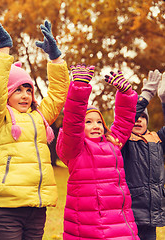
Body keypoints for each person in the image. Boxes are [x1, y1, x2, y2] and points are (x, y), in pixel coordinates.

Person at [0, 13, 70, 239]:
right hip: (6, 209)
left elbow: (59, 94)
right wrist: (3, 49)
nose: (25, 95)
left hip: (36, 206)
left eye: (28, 90)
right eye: (18, 90)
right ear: (7, 94)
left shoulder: (40, 116)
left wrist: (56, 59)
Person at [56, 64, 140, 239]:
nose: (95, 125)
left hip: (121, 221)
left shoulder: (112, 143)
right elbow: (72, 121)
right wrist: (79, 88)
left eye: (99, 122)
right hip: (92, 224)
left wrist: (126, 94)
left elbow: (125, 120)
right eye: (88, 122)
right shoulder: (75, 148)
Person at [121, 69, 165, 240]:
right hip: (129, 212)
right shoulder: (123, 141)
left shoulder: (156, 139)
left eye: (143, 118)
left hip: (151, 214)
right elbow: (125, 121)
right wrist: (145, 96)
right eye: (136, 117)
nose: (139, 120)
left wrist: (164, 100)